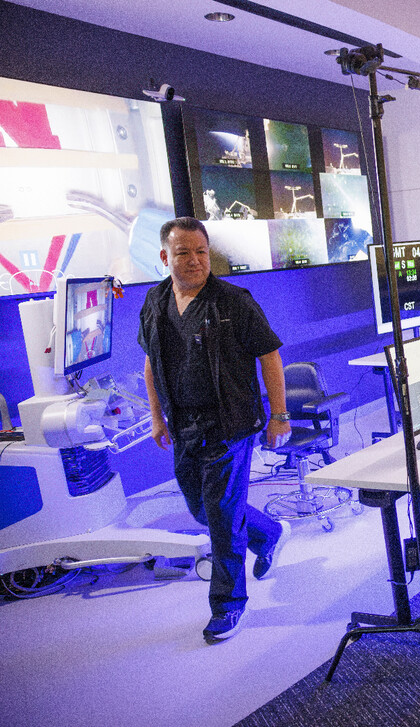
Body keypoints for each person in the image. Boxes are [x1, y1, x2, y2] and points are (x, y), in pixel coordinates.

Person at [139, 216, 291, 644]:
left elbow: (270, 355)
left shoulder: (233, 301)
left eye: (201, 252)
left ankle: (228, 606)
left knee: (222, 519)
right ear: (165, 257)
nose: (194, 261)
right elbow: (151, 365)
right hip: (183, 425)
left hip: (230, 425)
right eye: (183, 253)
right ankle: (268, 532)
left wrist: (278, 415)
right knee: (202, 510)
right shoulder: (154, 303)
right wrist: (156, 416)